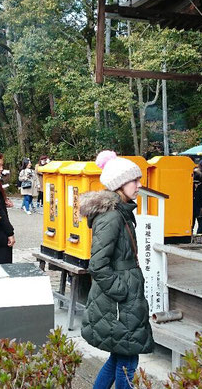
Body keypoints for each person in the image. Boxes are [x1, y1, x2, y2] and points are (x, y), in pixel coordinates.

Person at [79, 150, 154, 389]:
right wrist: (123, 290)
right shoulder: (112, 217)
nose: (140, 185)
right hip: (120, 302)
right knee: (128, 360)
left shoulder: (120, 211)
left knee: (119, 357)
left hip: (123, 301)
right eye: (135, 180)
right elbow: (98, 264)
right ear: (121, 184)